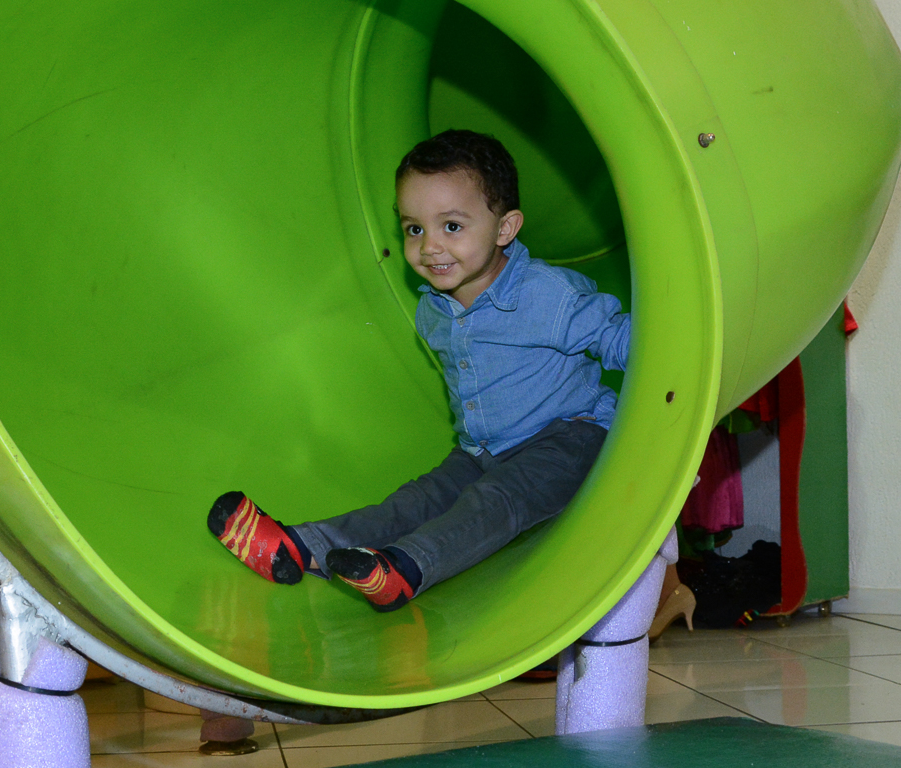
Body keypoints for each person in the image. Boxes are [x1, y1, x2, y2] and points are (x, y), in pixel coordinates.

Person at [207, 129, 631, 612]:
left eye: (451, 226)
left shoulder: (547, 295)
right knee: (415, 500)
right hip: (482, 449)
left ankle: (406, 566)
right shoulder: (432, 310)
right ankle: (302, 546)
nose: (429, 247)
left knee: (494, 500)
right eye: (414, 229)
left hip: (568, 440)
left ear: (505, 228)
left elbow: (622, 340)